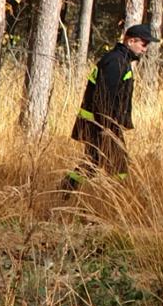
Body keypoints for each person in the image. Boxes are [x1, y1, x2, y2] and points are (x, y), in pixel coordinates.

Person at [67, 24, 156, 187]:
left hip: (99, 124)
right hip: (102, 125)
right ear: (131, 41)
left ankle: (65, 190)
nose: (145, 49)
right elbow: (103, 98)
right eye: (143, 44)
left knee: (92, 163)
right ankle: (115, 201)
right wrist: (107, 128)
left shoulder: (119, 59)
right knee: (120, 168)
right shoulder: (116, 62)